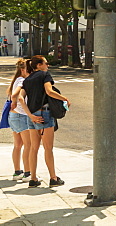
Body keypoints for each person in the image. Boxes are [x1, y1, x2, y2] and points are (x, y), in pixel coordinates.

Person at [22, 55, 70, 188]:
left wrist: (30, 115)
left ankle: (33, 178)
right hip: (44, 114)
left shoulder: (27, 80)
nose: (47, 66)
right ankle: (53, 178)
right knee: (48, 148)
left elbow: (20, 99)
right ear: (39, 65)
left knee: (33, 148)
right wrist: (64, 98)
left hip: (32, 116)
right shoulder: (44, 75)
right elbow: (49, 91)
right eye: (46, 63)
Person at [7, 58, 34, 181]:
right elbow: (15, 95)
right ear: (23, 70)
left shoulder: (16, 79)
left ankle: (17, 172)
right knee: (28, 145)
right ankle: (27, 173)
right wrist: (14, 101)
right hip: (21, 115)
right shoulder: (22, 81)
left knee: (18, 145)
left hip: (14, 116)